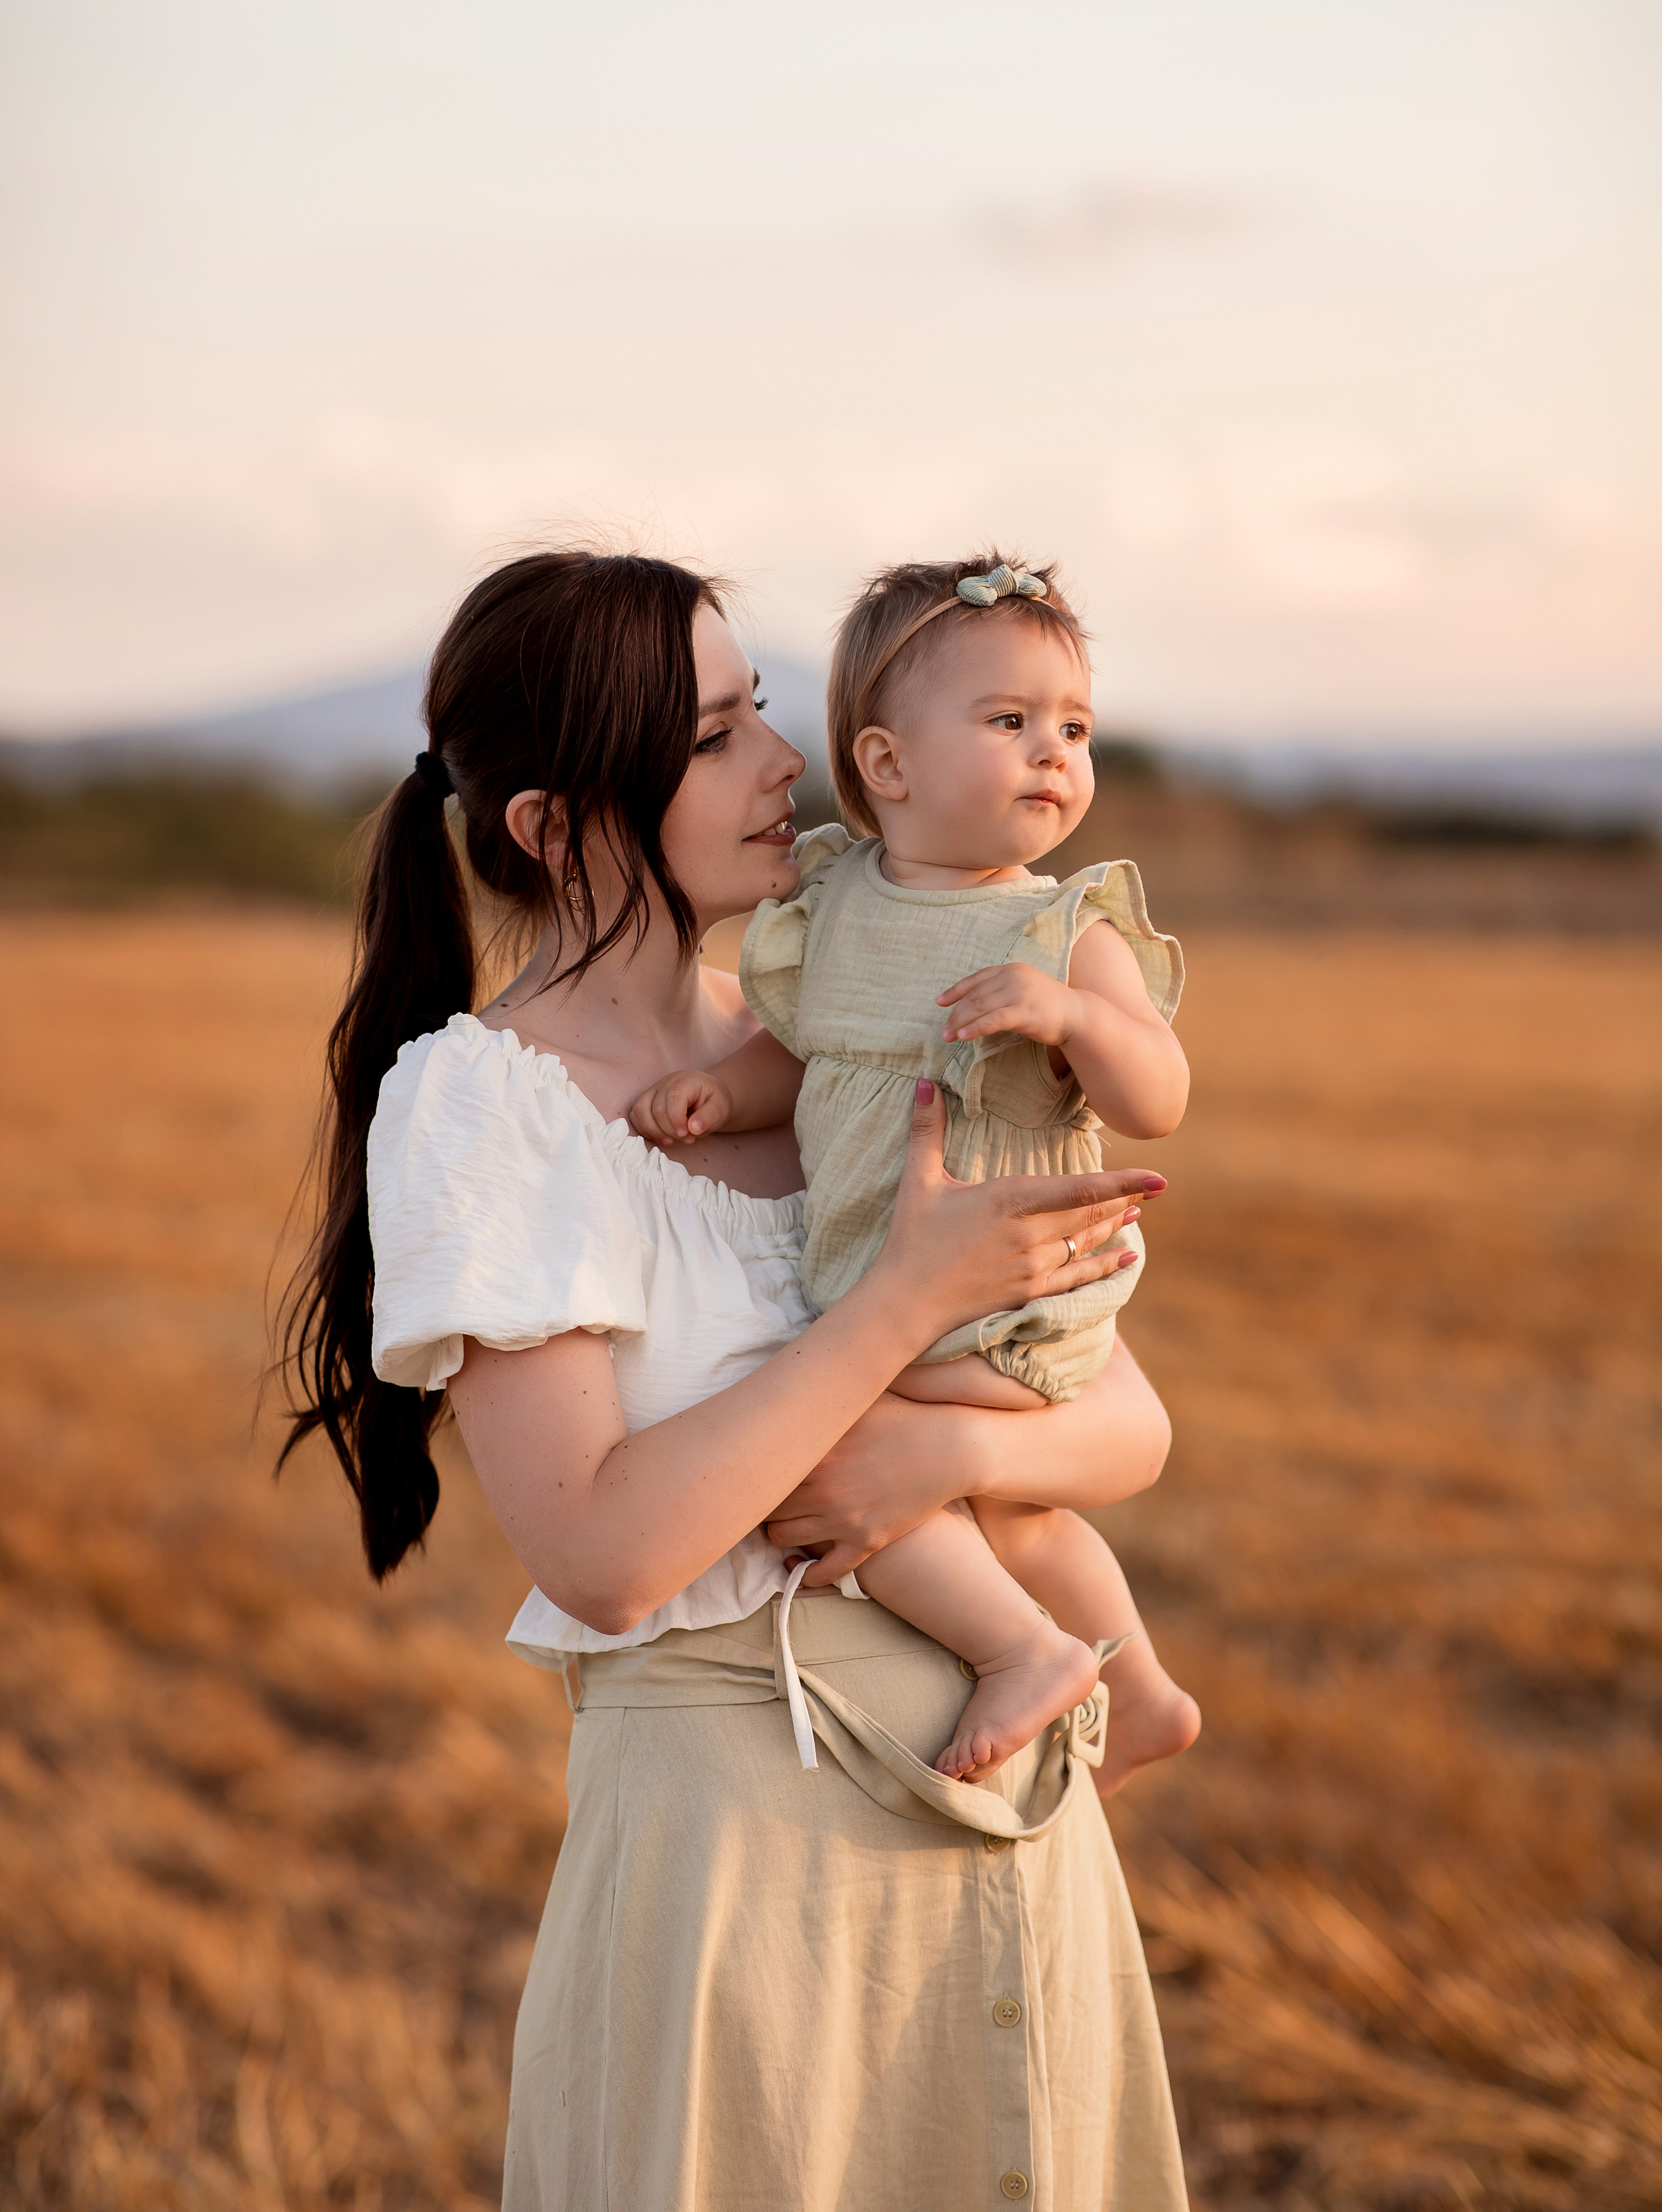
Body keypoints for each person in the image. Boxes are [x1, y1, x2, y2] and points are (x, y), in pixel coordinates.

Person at [281, 545, 1191, 2211]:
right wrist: (897, 1313)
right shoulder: (487, 1107)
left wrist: (924, 1462)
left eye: (761, 704)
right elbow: (606, 1556)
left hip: (1012, 1827)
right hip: (745, 1861)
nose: (786, 760)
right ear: (556, 827)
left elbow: (1127, 1422)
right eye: (714, 737)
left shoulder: (860, 1038)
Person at [629, 553, 1202, 1787]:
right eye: (1011, 723)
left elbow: (1159, 1096)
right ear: (886, 766)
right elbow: (827, 1059)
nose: (1055, 754)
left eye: (1075, 729)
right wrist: (727, 1094)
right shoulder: (838, 904)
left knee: (836, 1463)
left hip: (1008, 1288)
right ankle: (1142, 1687)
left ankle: (1022, 1653)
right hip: (894, 1280)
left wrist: (1075, 1022)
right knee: (1016, 1515)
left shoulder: (1063, 929)